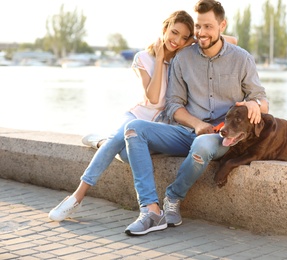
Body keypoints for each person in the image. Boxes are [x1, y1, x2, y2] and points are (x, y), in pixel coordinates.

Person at [123, 0, 269, 236]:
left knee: (202, 146)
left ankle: (172, 197)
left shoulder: (242, 59)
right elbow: (173, 105)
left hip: (222, 135)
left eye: (208, 27)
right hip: (187, 130)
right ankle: (150, 210)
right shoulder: (183, 58)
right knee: (134, 129)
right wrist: (197, 124)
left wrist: (254, 103)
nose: (202, 33)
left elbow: (263, 101)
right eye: (199, 27)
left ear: (222, 25)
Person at [48, 10, 196, 223]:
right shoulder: (143, 58)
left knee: (127, 154)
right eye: (174, 33)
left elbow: (230, 40)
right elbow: (153, 99)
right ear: (164, 29)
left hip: (159, 126)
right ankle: (77, 196)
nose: (177, 40)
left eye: (184, 37)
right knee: (119, 139)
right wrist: (161, 56)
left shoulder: (182, 59)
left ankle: (101, 141)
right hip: (136, 116)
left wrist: (190, 41)